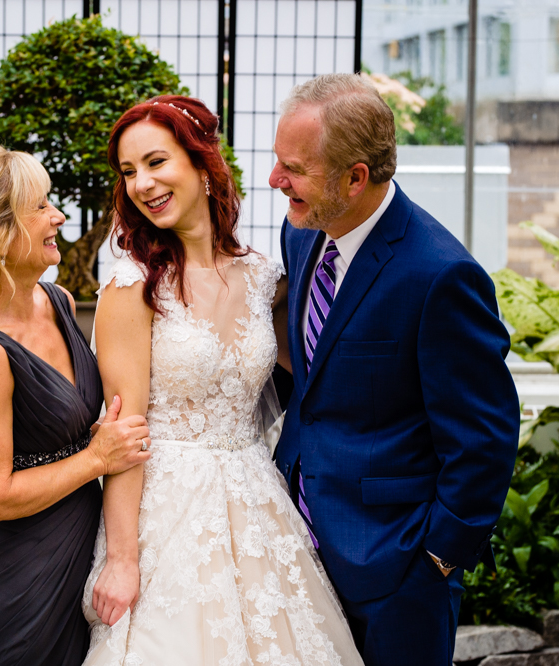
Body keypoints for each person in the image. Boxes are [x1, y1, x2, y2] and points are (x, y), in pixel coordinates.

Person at [80, 96, 363, 666]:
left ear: (201, 165)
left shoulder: (264, 277)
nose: (142, 183)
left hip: (258, 503)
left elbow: (320, 372)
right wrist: (124, 559)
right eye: (129, 171)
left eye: (156, 162)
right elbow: (125, 433)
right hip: (167, 513)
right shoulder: (132, 288)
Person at [270, 73, 520, 666]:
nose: (277, 181)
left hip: (398, 574)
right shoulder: (301, 234)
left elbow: (484, 439)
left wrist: (437, 559)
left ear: (356, 177)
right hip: (292, 551)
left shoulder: (440, 275)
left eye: (295, 169)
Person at [0, 144, 152, 666]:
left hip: (79, 554)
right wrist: (96, 459)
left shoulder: (59, 301)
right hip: (19, 579)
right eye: (41, 207)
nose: (58, 217)